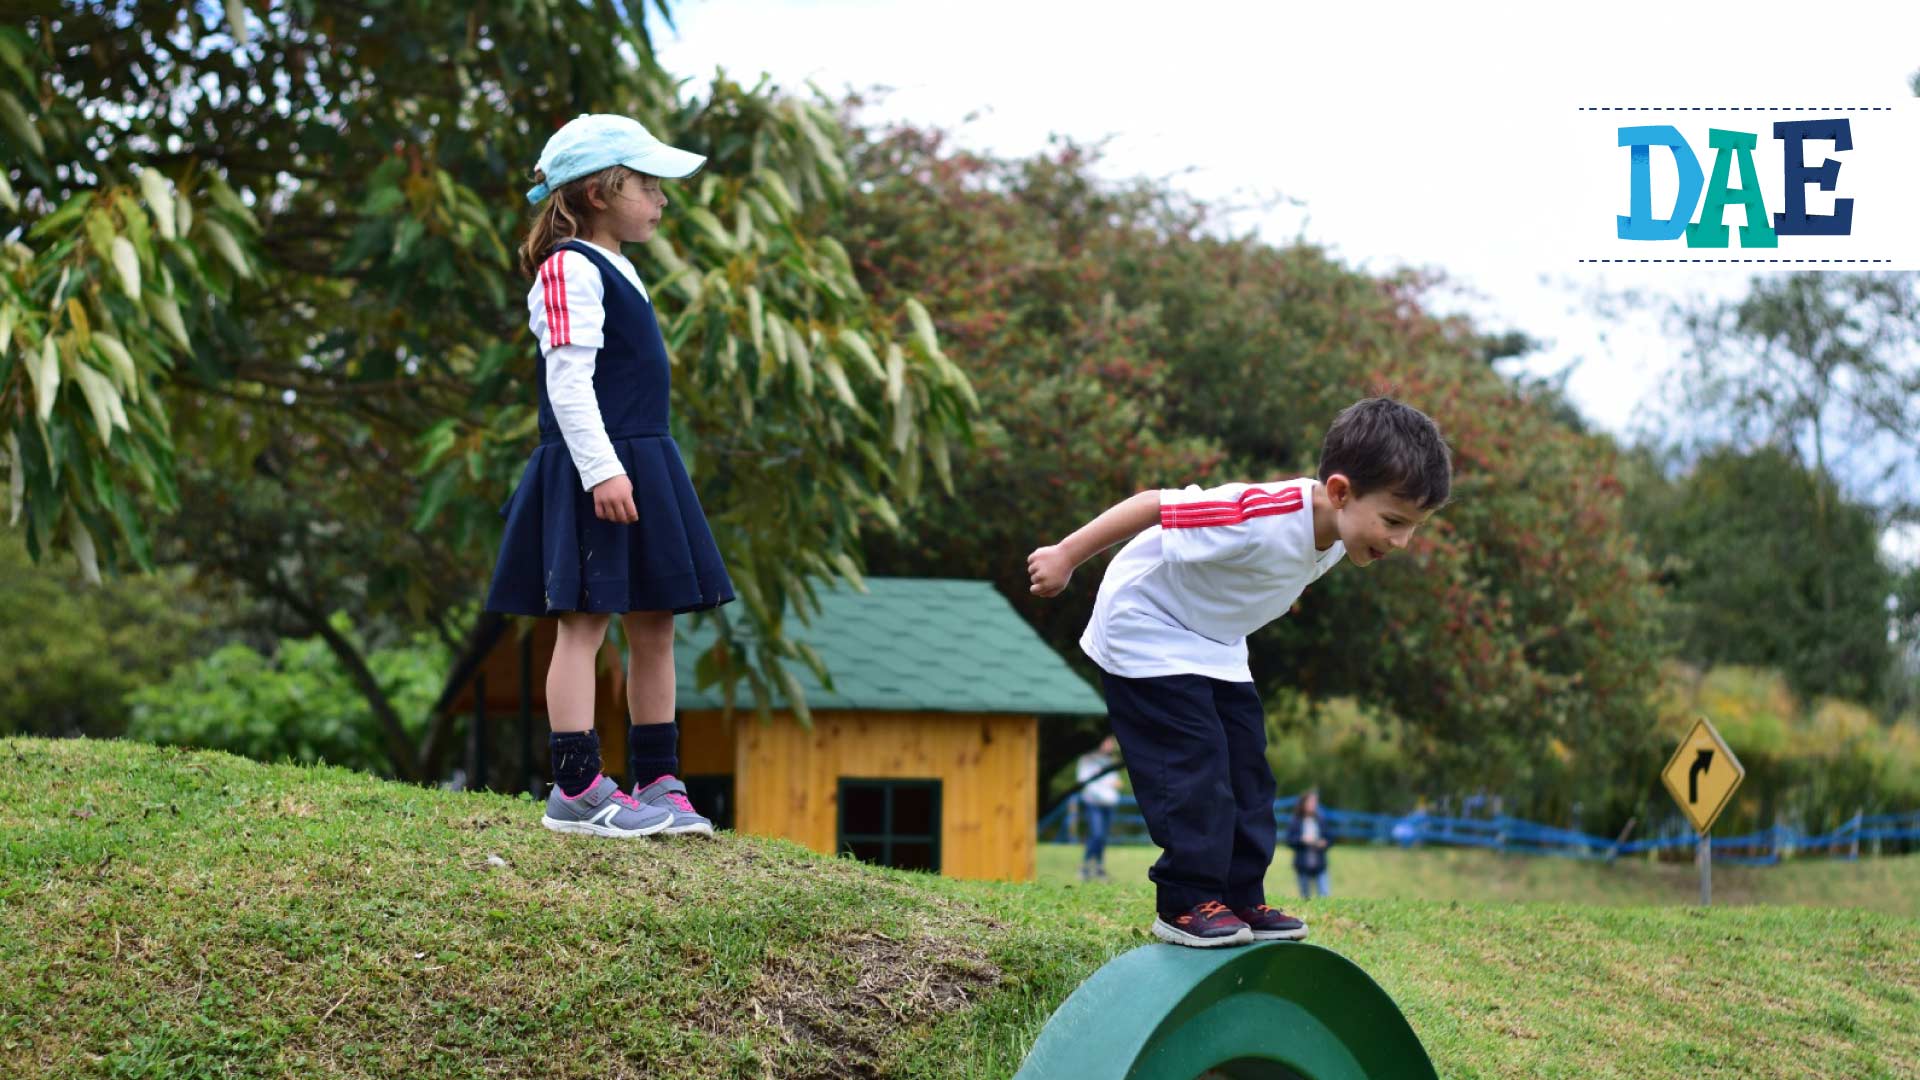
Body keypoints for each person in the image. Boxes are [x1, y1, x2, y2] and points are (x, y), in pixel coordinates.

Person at [1026, 397, 1451, 947]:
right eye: (1394, 522)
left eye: (1413, 527)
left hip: (1215, 643)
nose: (1400, 542)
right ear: (1341, 491)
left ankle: (1238, 895)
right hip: (1147, 623)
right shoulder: (1258, 514)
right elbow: (1155, 504)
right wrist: (1065, 554)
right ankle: (1184, 903)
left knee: (1249, 772)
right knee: (1195, 762)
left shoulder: (1343, 530)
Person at [485, 114, 734, 838]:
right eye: (648, 185)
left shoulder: (619, 264)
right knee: (584, 621)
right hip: (602, 466)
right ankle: (577, 788)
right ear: (598, 191)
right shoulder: (568, 266)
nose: (661, 199)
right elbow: (569, 383)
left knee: (655, 623)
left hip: (644, 461)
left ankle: (658, 780)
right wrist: (603, 471)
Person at [1076, 735, 1124, 881]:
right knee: (1096, 834)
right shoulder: (1087, 759)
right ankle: (1084, 866)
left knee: (1102, 837)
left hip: (1109, 803)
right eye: (1108, 742)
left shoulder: (1110, 761)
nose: (1110, 745)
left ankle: (1098, 867)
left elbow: (1117, 783)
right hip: (1093, 802)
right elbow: (1084, 781)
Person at [1285, 789, 1332, 899]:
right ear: (1304, 803)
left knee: (1325, 895)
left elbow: (1330, 838)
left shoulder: (1321, 820)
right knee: (1305, 897)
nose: (1313, 805)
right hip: (1302, 864)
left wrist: (1324, 843)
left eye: (1315, 802)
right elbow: (1289, 840)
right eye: (1310, 802)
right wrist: (1302, 839)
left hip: (1320, 863)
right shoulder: (1295, 821)